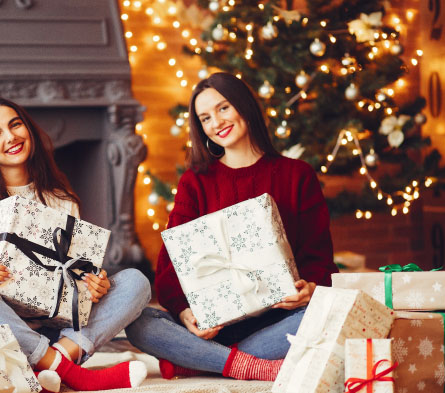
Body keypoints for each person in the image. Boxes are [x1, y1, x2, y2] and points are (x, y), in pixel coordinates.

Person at [0, 98, 151, 391]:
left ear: (28, 129)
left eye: (15, 124)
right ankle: (71, 374)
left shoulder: (61, 201)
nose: (10, 137)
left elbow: (71, 283)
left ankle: (45, 365)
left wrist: (93, 285)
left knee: (135, 281)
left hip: (48, 334)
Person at [125, 72, 338, 381]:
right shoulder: (195, 182)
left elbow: (320, 258)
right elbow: (170, 268)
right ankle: (244, 364)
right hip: (214, 328)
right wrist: (186, 314)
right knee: (140, 322)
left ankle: (200, 362)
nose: (216, 122)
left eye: (223, 108)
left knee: (327, 313)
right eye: (205, 118)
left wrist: (310, 291)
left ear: (244, 105)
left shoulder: (297, 175)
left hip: (281, 321)